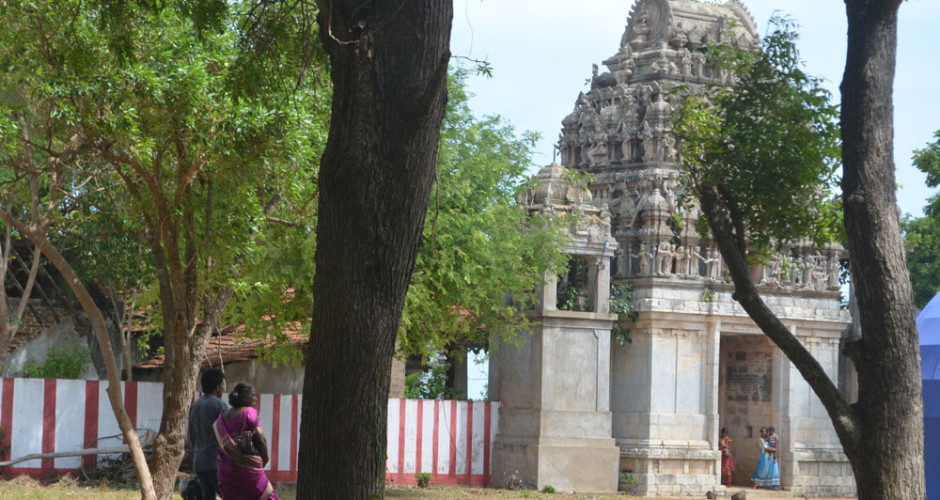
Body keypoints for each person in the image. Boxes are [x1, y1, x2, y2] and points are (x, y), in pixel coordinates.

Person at [215, 383, 278, 500]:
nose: (256, 398)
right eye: (253, 395)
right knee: (268, 496)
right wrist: (265, 460)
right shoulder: (249, 412)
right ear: (244, 398)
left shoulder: (222, 416)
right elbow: (261, 440)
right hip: (247, 471)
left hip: (225, 470)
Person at [187, 367, 227, 500]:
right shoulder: (220, 406)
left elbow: (191, 436)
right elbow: (226, 436)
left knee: (206, 497)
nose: (225, 385)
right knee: (228, 494)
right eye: (223, 382)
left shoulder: (195, 406)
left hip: (200, 461)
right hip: (216, 461)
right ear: (217, 386)